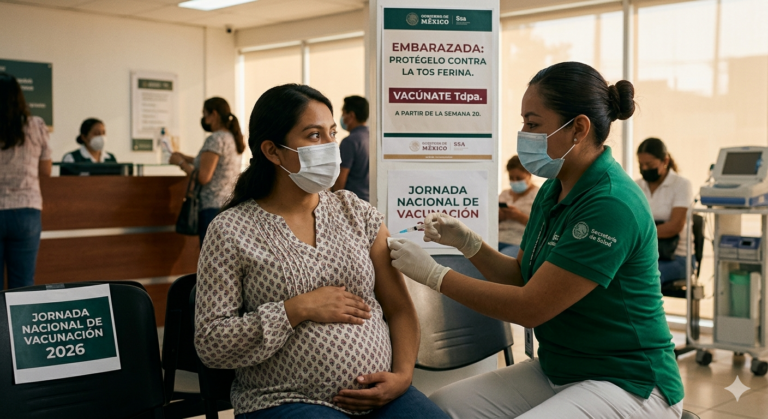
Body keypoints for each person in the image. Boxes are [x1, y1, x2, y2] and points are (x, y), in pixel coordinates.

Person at [389, 62, 684, 419]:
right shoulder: (554, 189)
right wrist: (467, 243)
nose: (523, 133)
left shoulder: (611, 203)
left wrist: (435, 276)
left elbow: (531, 307)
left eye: (533, 123)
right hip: (562, 368)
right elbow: (519, 276)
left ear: (578, 128)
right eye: (523, 122)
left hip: (629, 381)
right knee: (444, 408)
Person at [194, 84, 447, 419]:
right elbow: (211, 342)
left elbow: (399, 308)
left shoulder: (357, 213)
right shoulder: (231, 230)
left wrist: (402, 377)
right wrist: (296, 309)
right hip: (283, 400)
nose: (331, 147)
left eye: (332, 132)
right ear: (272, 151)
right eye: (314, 136)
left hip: (383, 396)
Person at [169, 97, 244, 246]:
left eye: (204, 114)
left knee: (211, 255)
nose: (203, 119)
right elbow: (215, 164)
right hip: (229, 204)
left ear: (214, 114)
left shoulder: (215, 139)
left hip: (211, 206)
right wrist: (187, 158)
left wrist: (181, 163)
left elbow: (204, 177)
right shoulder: (232, 138)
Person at [0, 72, 52, 289]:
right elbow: (46, 170)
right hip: (26, 211)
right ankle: (19, 323)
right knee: (23, 284)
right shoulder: (36, 125)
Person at [636, 138, 693, 285]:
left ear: (665, 161)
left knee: (642, 279)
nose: (645, 168)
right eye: (641, 164)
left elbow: (675, 226)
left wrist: (638, 236)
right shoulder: (636, 186)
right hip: (645, 255)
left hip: (677, 257)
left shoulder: (681, 185)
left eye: (649, 164)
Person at [498, 155, 539, 256]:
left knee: (502, 258)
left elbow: (542, 227)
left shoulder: (539, 196)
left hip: (519, 242)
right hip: (497, 238)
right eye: (511, 178)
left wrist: (520, 217)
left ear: (529, 174)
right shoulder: (504, 194)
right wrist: (499, 217)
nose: (515, 181)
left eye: (519, 178)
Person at [332, 95, 369, 202]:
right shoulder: (372, 138)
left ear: (351, 115)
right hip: (370, 203)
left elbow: (340, 179)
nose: (342, 117)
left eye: (343, 113)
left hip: (353, 204)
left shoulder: (350, 141)